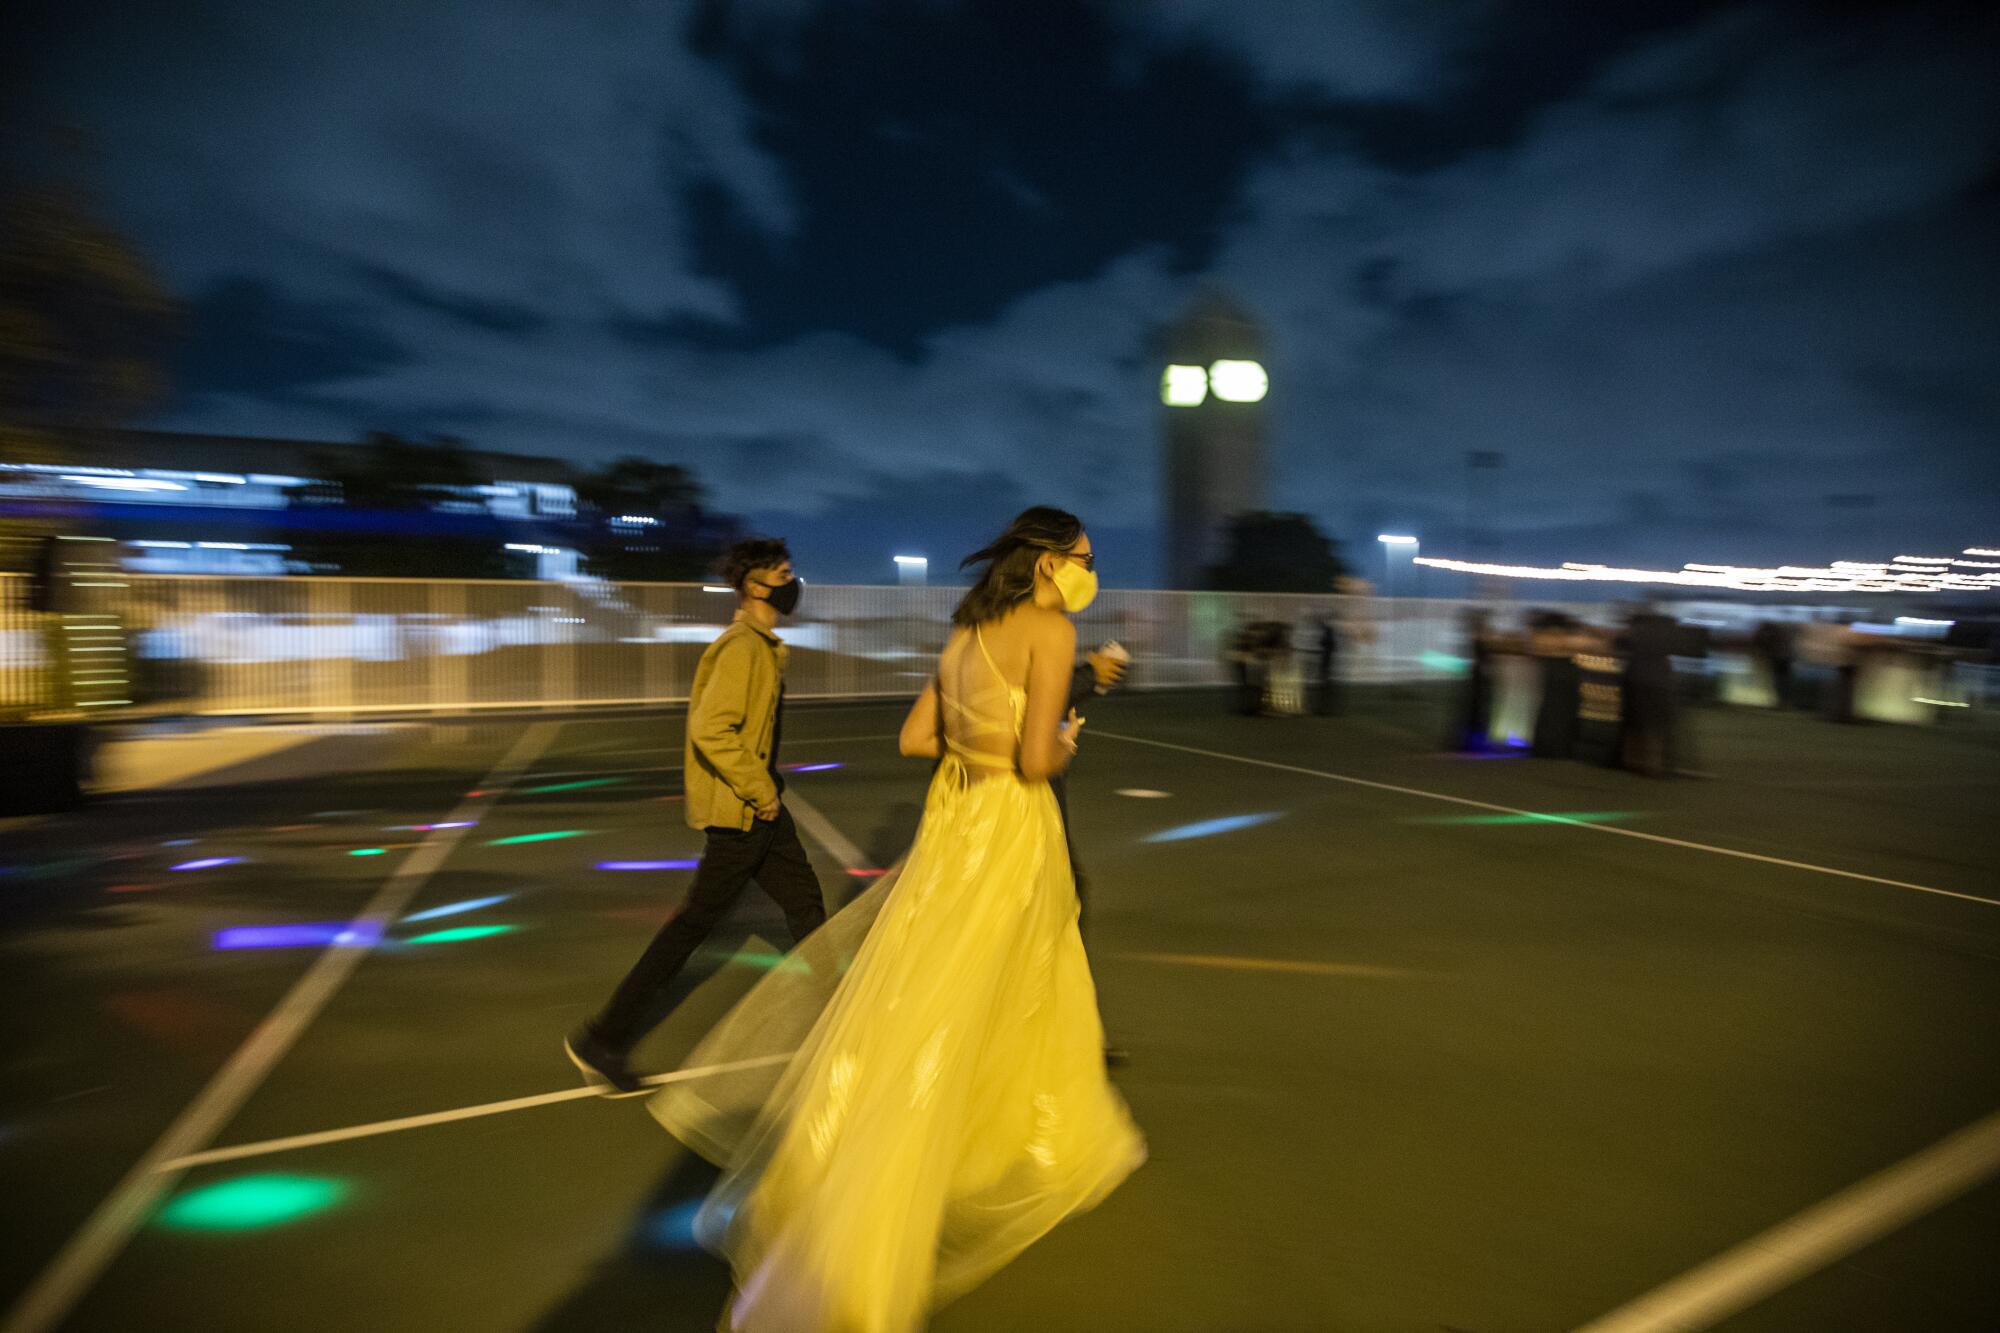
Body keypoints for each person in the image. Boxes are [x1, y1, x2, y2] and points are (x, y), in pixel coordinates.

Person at [649, 506, 1143, 1332]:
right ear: (1050, 564)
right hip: (1011, 826)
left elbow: (918, 736)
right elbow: (1033, 760)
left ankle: (894, 1148)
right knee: (1017, 979)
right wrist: (1064, 736)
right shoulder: (1051, 631)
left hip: (953, 823)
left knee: (927, 984)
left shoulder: (968, 632)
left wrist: (980, 738)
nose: (1093, 570)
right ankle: (954, 1158)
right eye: (1085, 557)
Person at [565, 538, 825, 1096]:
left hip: (761, 807)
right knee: (691, 929)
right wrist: (760, 791)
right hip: (744, 811)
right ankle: (601, 1039)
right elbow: (711, 728)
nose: (791, 581)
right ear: (755, 586)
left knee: (805, 907)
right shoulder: (742, 650)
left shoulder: (761, 646)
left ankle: (839, 1019)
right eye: (782, 573)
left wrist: (765, 793)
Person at [1058, 638, 1129, 1064]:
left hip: (992, 803)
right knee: (1064, 905)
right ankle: (1071, 1032)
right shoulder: (1035, 627)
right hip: (1021, 804)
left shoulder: (981, 631)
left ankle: (1072, 1028)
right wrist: (1088, 677)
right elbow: (1029, 706)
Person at [1312, 613, 1341, 715]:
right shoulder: (1330, 637)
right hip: (1327, 665)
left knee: (1324, 688)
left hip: (1325, 665)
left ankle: (1324, 709)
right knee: (1325, 687)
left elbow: (1321, 642)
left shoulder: (1327, 637)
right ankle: (1326, 709)